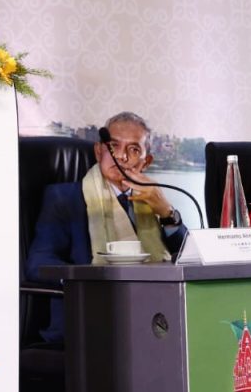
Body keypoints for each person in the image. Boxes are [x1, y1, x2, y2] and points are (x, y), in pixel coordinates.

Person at [25, 111, 187, 343]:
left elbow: (188, 259)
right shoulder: (64, 198)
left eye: (133, 149)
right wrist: (94, 281)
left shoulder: (154, 199)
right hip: (85, 323)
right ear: (99, 151)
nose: (121, 156)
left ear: (146, 162)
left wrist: (167, 213)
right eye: (113, 146)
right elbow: (37, 264)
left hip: (154, 320)